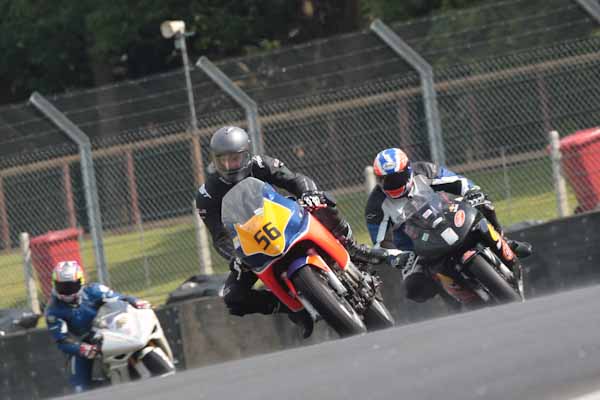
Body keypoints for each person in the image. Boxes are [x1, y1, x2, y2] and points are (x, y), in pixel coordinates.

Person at [196, 126, 389, 338]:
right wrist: (235, 257)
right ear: (214, 160)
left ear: (246, 154)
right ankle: (289, 307)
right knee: (233, 297)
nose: (228, 165)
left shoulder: (261, 164)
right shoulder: (206, 195)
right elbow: (219, 237)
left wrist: (309, 194)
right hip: (252, 245)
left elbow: (296, 180)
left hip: (284, 218)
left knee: (323, 202)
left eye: (234, 159)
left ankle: (352, 247)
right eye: (222, 160)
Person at [365, 147, 532, 304]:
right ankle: (451, 298)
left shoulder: (424, 171)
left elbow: (458, 182)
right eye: (384, 180)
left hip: (448, 219)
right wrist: (397, 256)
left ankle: (504, 240)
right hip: (415, 249)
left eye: (395, 178)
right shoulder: (375, 206)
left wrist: (472, 192)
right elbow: (380, 244)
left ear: (408, 170)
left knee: (484, 204)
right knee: (413, 288)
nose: (390, 184)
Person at [45, 261, 151, 393]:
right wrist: (82, 348)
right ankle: (103, 388)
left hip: (110, 329)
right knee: (79, 388)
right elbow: (62, 340)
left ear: (81, 282)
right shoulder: (53, 311)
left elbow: (120, 297)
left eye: (71, 286)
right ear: (54, 284)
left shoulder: (94, 290)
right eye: (62, 287)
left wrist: (135, 301)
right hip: (85, 343)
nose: (67, 292)